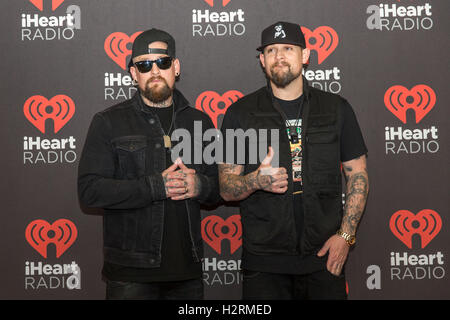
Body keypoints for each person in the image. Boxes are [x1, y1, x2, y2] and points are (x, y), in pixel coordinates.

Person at [219, 21, 369, 300]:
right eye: (272, 50)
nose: (280, 56)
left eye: (288, 48)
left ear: (305, 55)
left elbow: (357, 174)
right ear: (262, 60)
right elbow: (226, 187)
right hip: (264, 264)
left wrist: (346, 236)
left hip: (324, 257)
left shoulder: (337, 109)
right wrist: (256, 180)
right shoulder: (240, 113)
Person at [78, 28, 220, 300]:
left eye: (163, 62)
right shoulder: (108, 122)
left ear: (175, 67)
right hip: (131, 274)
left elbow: (217, 189)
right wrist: (156, 186)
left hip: (187, 273)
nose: (154, 70)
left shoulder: (200, 122)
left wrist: (199, 184)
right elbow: (90, 190)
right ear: (134, 73)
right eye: (144, 65)